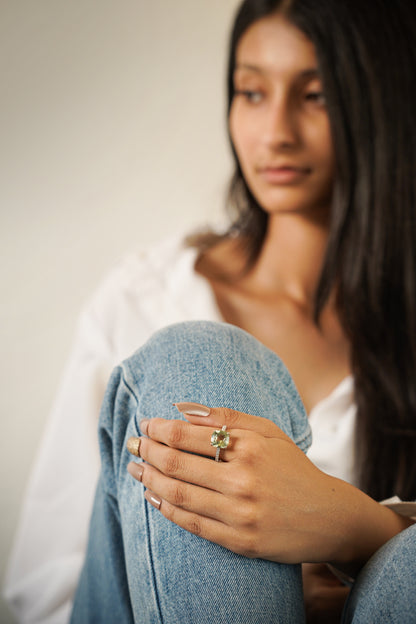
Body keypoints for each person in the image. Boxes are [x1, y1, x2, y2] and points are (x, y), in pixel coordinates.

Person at [5, 0, 416, 622]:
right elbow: (47, 593)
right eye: (251, 92)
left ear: (376, 101)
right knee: (197, 358)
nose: (275, 130)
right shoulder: (147, 294)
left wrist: (356, 533)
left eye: (316, 95)